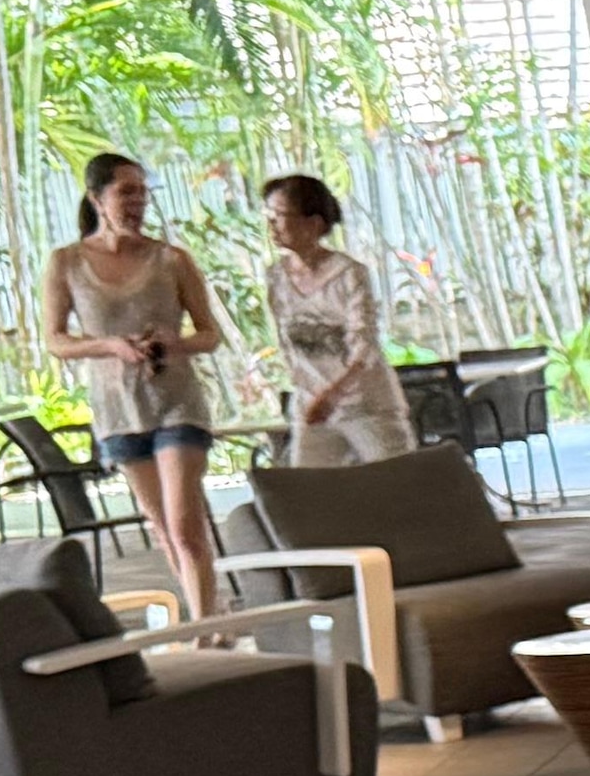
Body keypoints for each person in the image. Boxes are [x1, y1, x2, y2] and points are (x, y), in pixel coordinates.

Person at [42, 151, 231, 612]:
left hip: (176, 401)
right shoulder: (66, 263)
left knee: (186, 522)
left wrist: (175, 342)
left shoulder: (172, 260)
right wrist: (110, 346)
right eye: (126, 191)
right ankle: (211, 610)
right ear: (96, 197)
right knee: (162, 525)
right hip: (118, 409)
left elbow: (209, 334)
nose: (137, 202)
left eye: (143, 192)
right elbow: (55, 340)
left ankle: (205, 629)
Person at [258, 175, 411, 466]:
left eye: (279, 216)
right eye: (269, 216)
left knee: (397, 485)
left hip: (365, 404)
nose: (272, 225)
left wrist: (332, 395)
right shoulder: (276, 277)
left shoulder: (349, 273)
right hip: (311, 405)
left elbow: (363, 345)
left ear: (313, 223)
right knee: (312, 495)